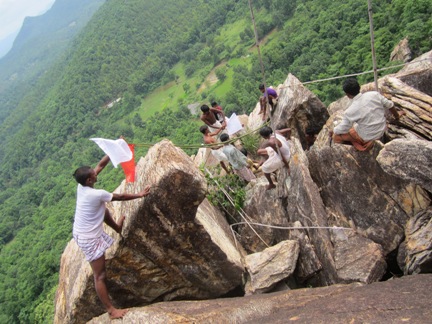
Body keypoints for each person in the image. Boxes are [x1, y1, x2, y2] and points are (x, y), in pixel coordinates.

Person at [72, 155, 151, 319]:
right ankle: (111, 310)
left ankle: (117, 227)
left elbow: (100, 165)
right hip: (88, 237)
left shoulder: (82, 187)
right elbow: (120, 197)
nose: (96, 173)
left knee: (104, 210)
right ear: (88, 180)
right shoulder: (96, 194)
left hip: (83, 229)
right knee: (100, 275)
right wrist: (140, 194)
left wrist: (114, 150)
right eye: (93, 174)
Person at [330, 78, 405, 151]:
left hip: (367, 137)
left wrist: (334, 130)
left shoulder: (350, 111)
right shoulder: (374, 94)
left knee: (336, 136)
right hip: (382, 131)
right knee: (355, 126)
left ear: (347, 94)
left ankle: (354, 151)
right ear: (359, 87)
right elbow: (390, 105)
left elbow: (343, 128)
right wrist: (397, 116)